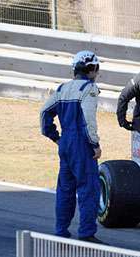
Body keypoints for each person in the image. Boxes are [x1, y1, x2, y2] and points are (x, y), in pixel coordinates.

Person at [40, 50, 103, 244]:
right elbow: (88, 119)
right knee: (88, 188)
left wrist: (54, 136)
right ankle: (86, 233)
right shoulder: (89, 88)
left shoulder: (61, 88)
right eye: (97, 69)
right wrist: (95, 144)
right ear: (91, 69)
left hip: (66, 141)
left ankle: (61, 231)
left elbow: (44, 113)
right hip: (81, 143)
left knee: (65, 189)